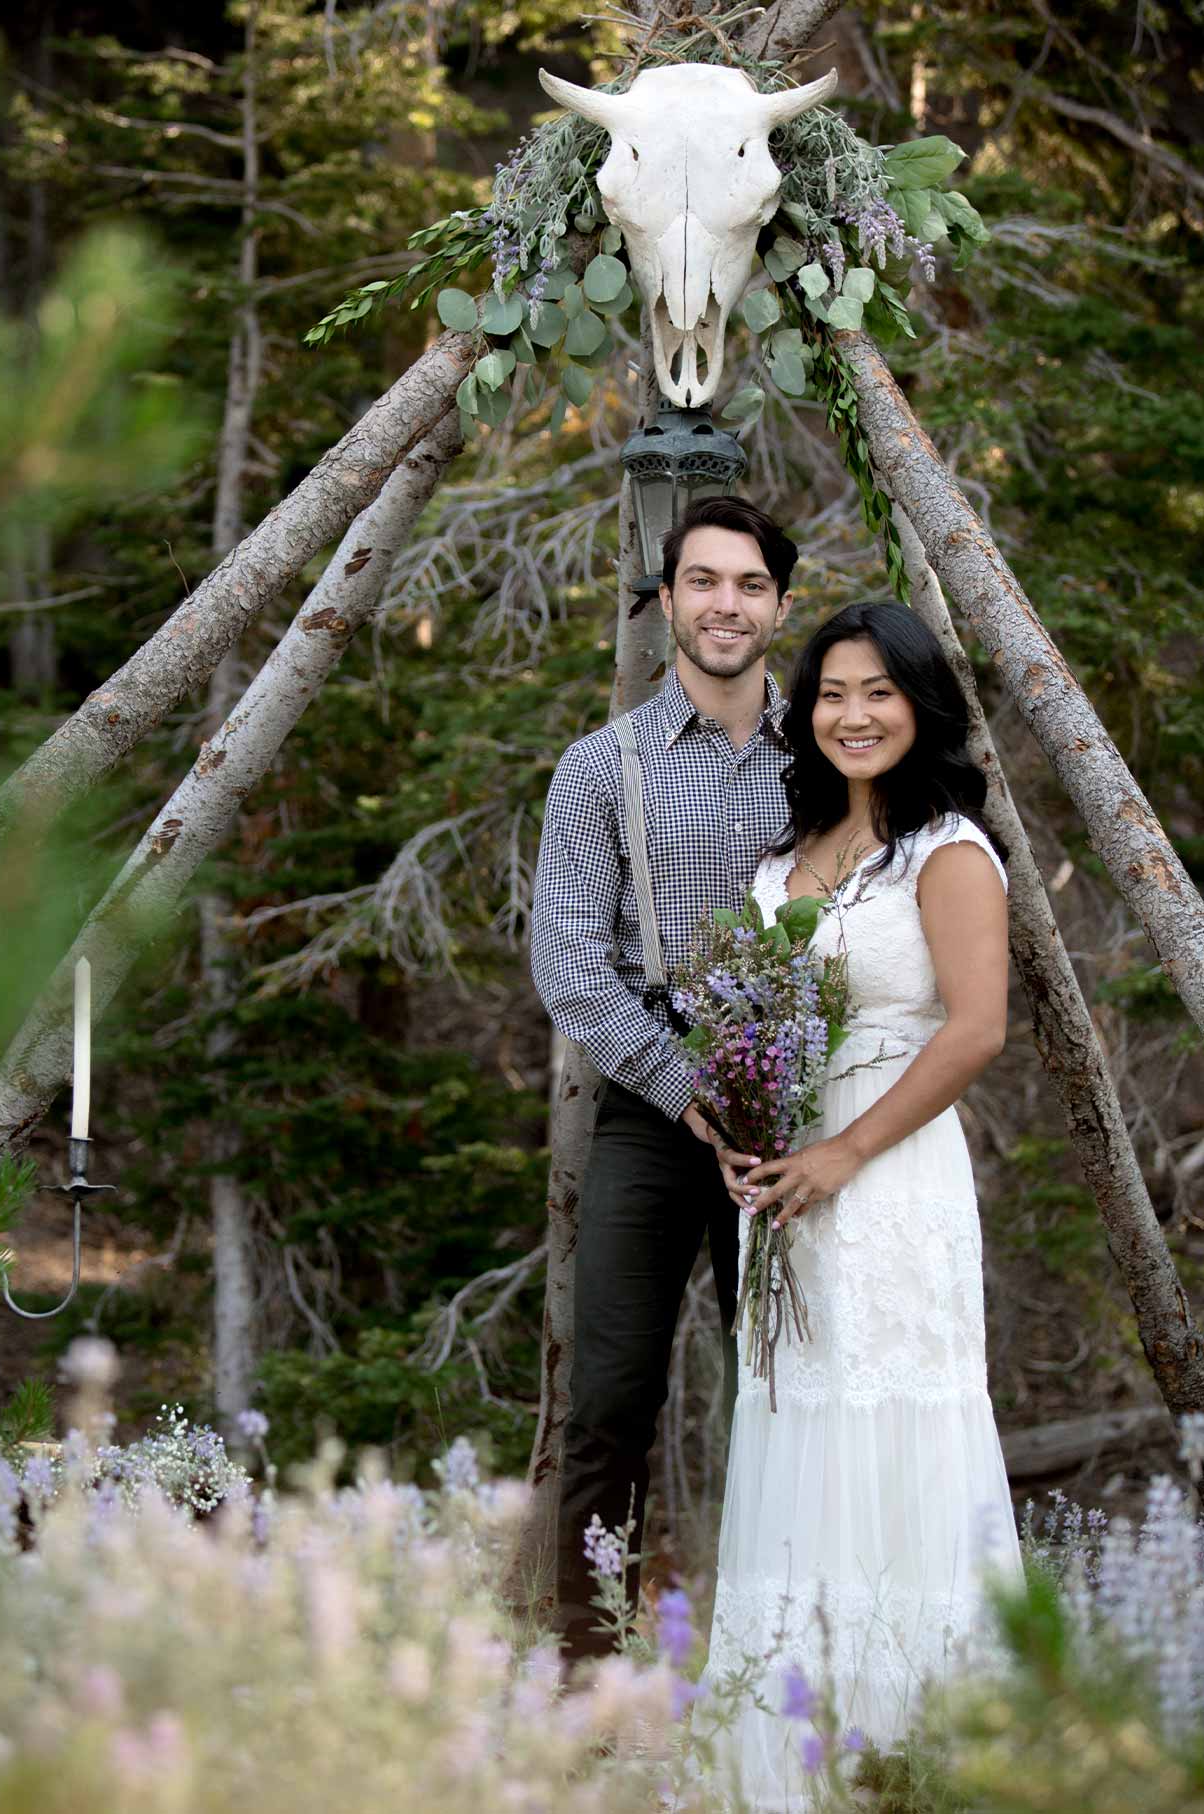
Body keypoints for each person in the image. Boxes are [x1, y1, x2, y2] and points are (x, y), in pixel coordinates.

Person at [695, 601, 1024, 1808]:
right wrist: (745, 1136)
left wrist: (846, 1149)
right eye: (832, 692)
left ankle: (918, 1750)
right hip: (789, 1186)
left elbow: (976, 1027)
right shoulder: (784, 862)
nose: (853, 713)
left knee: (898, 1419)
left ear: (919, 701)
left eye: (878, 690)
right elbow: (747, 1028)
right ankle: (795, 1756)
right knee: (802, 1424)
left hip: (893, 1173)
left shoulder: (948, 850)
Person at [530, 495, 800, 1666]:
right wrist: (688, 1082)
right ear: (668, 598)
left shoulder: (833, 755)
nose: (725, 603)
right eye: (703, 581)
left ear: (780, 604)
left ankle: (778, 1652)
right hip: (652, 1110)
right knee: (610, 1399)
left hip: (798, 1122)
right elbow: (569, 960)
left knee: (794, 1399)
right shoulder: (603, 767)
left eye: (748, 583)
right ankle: (591, 1671)